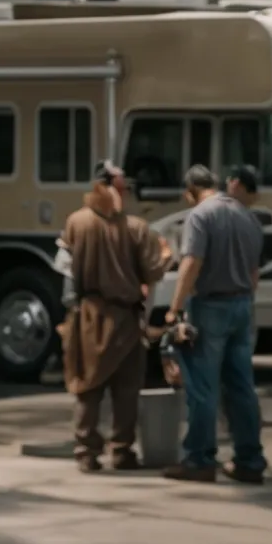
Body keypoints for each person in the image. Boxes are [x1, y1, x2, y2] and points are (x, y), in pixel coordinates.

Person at [58, 160, 172, 472]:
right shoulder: (136, 228)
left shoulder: (75, 222)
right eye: (124, 186)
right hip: (125, 319)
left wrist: (70, 310)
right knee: (125, 390)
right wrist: (165, 256)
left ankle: (86, 452)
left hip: (89, 317)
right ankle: (122, 451)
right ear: (110, 187)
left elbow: (66, 271)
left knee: (88, 387)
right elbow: (153, 271)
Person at [164, 164, 270, 484]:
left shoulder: (200, 215)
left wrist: (175, 308)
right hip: (242, 306)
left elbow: (192, 262)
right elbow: (254, 277)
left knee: (203, 388)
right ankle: (249, 460)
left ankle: (199, 460)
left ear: (189, 192)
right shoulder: (249, 218)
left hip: (211, 306)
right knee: (242, 387)